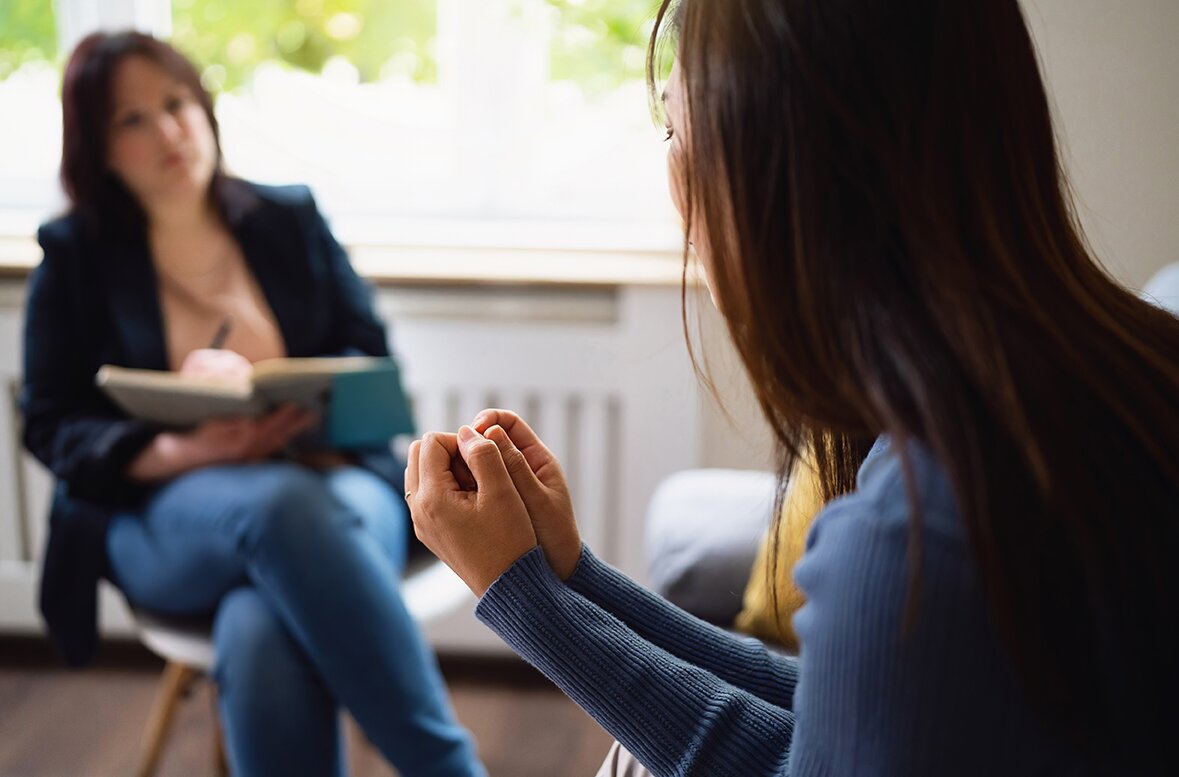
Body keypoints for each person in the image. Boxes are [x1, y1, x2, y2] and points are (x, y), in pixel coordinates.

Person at [405, 0, 1179, 775]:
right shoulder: (1108, 374)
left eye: (673, 129)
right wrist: (572, 578)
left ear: (780, 171)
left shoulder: (918, 530)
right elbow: (835, 712)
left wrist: (523, 598)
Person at [21, 31, 485, 777]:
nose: (168, 130)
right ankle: (447, 767)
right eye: (130, 119)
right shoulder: (75, 256)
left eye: (175, 104)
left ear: (204, 109)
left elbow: (371, 358)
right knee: (277, 509)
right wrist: (195, 446)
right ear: (97, 149)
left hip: (337, 477)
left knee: (262, 618)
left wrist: (279, 382)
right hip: (163, 515)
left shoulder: (287, 219)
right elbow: (49, 421)